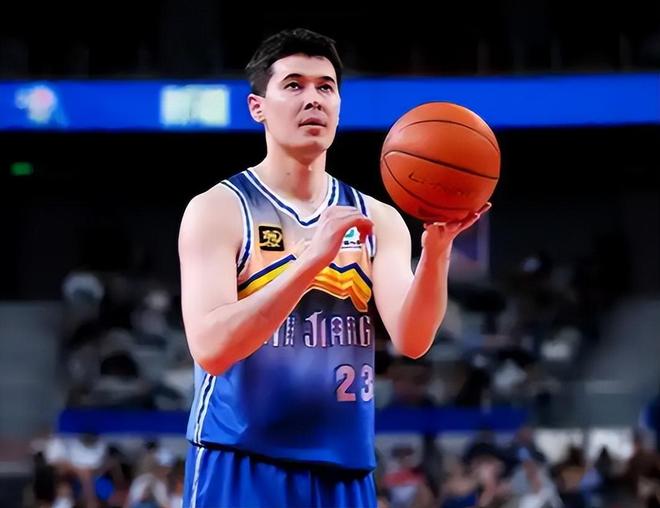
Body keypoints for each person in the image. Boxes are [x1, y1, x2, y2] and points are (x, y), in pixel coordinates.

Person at [177, 27, 490, 508]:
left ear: (339, 105)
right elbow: (212, 349)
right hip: (241, 459)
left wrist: (437, 251)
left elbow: (413, 339)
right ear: (257, 107)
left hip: (344, 466)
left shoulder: (378, 218)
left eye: (325, 87)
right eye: (294, 85)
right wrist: (311, 259)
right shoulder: (218, 210)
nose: (313, 99)